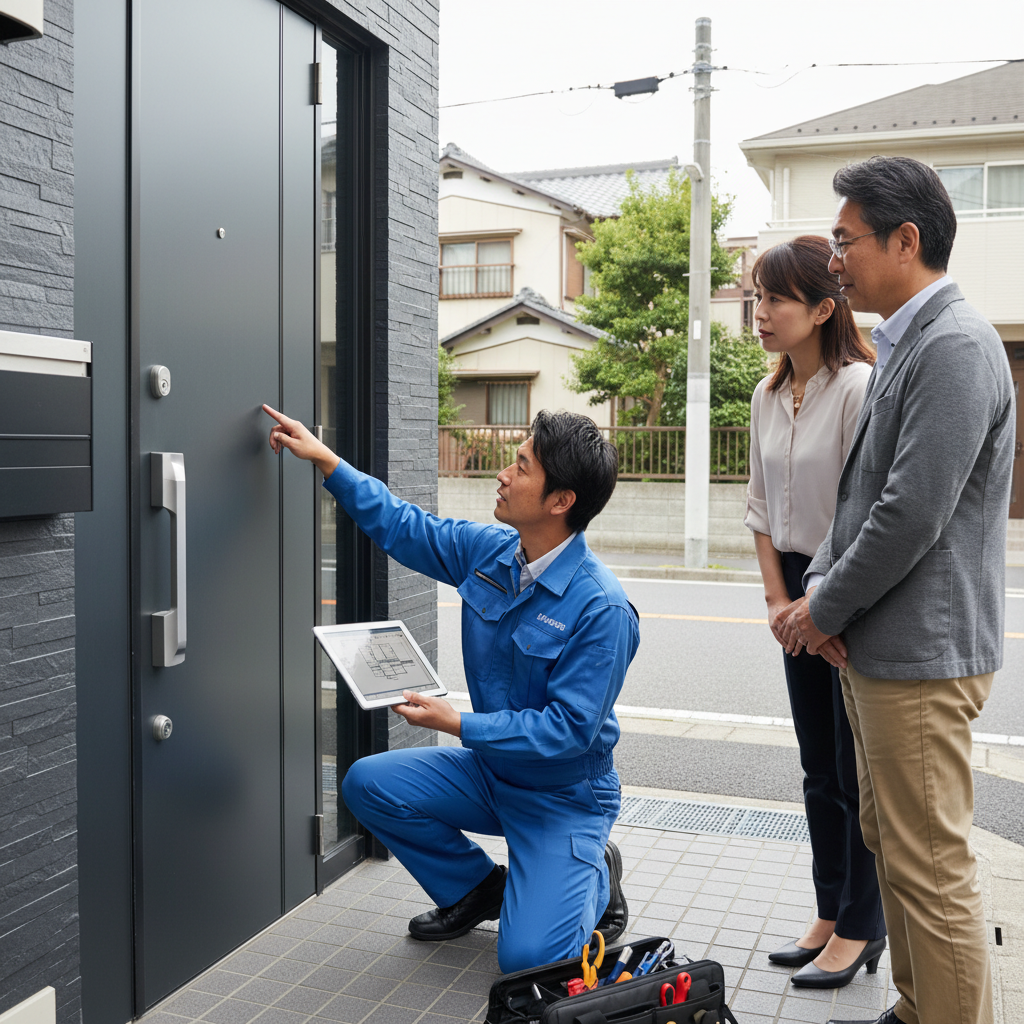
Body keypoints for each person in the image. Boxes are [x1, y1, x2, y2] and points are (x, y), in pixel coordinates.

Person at [263, 405, 639, 974]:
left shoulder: (601, 607)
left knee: (528, 959)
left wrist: (457, 723)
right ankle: (477, 889)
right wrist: (326, 461)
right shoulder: (490, 551)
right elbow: (403, 526)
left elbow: (568, 730)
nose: (503, 474)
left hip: (563, 799)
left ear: (561, 501)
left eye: (522, 466)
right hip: (490, 773)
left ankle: (594, 876)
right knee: (367, 782)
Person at [777, 157, 1014, 1024]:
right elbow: (861, 496)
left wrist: (822, 605)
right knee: (897, 847)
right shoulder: (916, 340)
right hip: (888, 647)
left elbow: (912, 513)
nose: (835, 259)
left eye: (846, 241)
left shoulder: (953, 345)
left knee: (928, 863)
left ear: (905, 240)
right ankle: (919, 1006)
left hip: (921, 655)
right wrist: (827, 598)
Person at [745, 235, 886, 990]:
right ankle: (831, 911)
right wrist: (777, 599)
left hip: (844, 593)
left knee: (853, 770)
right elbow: (761, 511)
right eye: (756, 298)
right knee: (815, 768)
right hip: (793, 589)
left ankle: (864, 926)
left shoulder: (860, 386)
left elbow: (864, 514)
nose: (760, 313)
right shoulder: (768, 396)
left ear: (823, 308)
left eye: (776, 299)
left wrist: (819, 606)